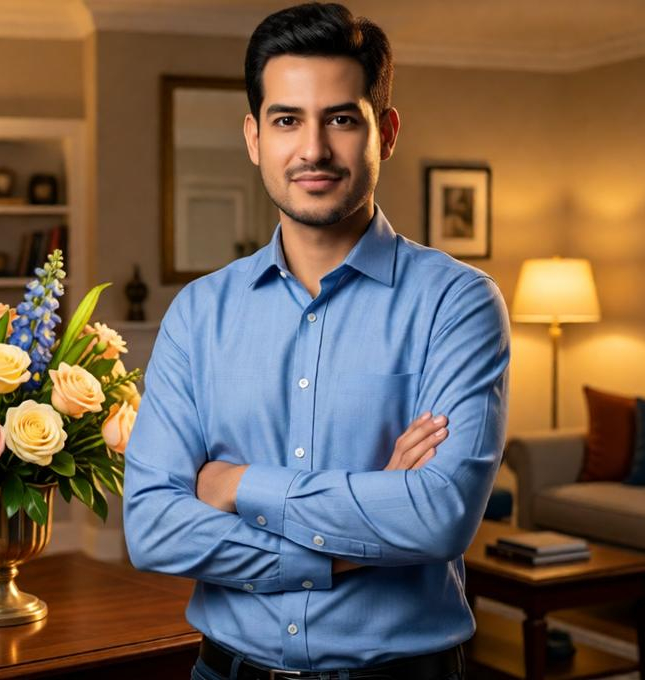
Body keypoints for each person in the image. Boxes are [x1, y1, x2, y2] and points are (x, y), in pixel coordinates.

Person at [123, 3, 510, 679]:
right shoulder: (198, 314)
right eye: (286, 120)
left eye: (340, 118)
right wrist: (357, 532)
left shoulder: (458, 303)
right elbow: (154, 527)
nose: (313, 150)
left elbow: (438, 517)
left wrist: (235, 483)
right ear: (253, 136)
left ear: (384, 132)